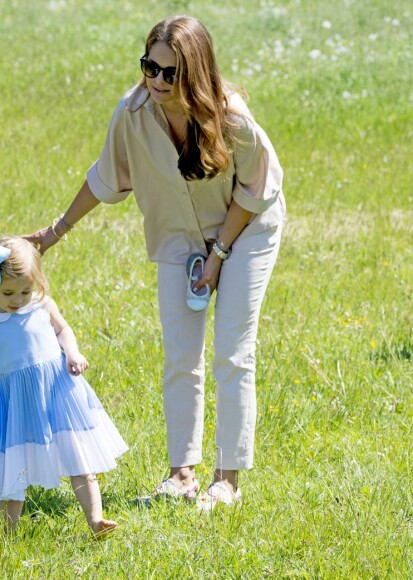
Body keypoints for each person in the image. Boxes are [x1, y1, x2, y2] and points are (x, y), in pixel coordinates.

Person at [25, 15, 285, 511]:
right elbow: (107, 179)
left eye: (170, 73)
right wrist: (52, 233)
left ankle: (226, 480)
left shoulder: (232, 120)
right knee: (180, 355)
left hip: (247, 229)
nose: (157, 81)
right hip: (180, 238)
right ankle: (181, 474)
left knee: (232, 350)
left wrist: (220, 254)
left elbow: (256, 190)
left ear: (195, 73)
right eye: (150, 67)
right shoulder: (134, 112)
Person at [0, 236, 127, 535]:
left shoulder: (42, 306)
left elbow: (62, 328)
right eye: (8, 292)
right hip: (12, 403)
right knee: (12, 468)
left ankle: (95, 519)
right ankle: (9, 531)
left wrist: (73, 352)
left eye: (25, 291)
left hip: (54, 393)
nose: (17, 299)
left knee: (79, 456)